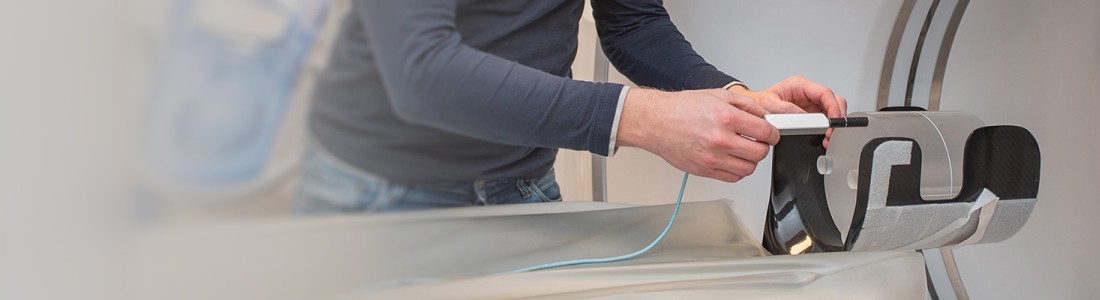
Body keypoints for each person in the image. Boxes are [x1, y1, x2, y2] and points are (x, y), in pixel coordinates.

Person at [295, 0, 847, 213]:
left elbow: (633, 22)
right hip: (378, 191)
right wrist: (638, 118)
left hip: (522, 187)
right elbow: (422, 71)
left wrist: (735, 98)